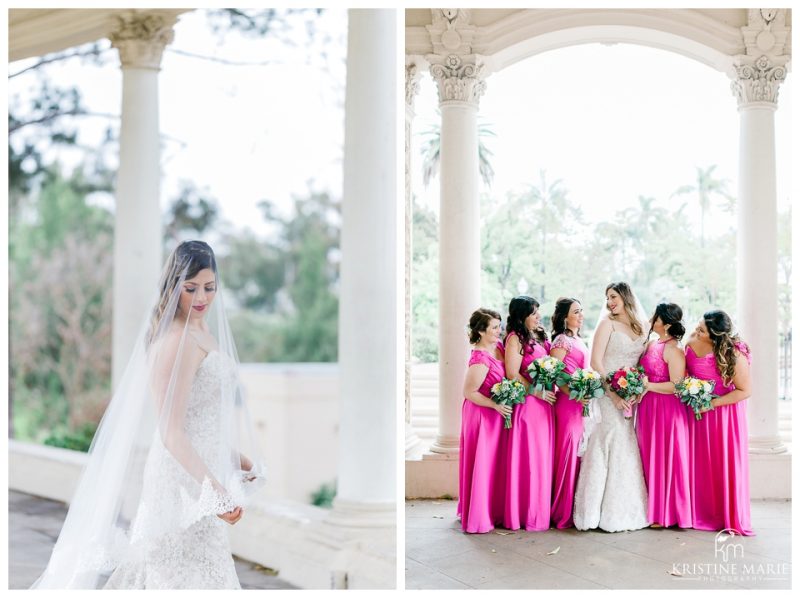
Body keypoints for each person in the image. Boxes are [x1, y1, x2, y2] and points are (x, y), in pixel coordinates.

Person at [33, 240, 265, 589]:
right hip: (181, 482)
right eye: (190, 289)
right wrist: (214, 491)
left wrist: (237, 459)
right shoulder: (177, 341)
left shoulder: (200, 330)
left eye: (209, 287)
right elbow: (171, 431)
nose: (201, 298)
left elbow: (199, 419)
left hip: (201, 476)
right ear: (173, 287)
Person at [573, 282, 649, 532]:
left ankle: (622, 510)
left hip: (628, 397)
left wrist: (635, 389)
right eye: (607, 297)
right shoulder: (608, 323)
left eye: (613, 296)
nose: (609, 302)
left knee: (625, 444)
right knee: (605, 442)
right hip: (607, 395)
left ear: (626, 296)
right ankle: (593, 512)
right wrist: (613, 394)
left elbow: (642, 364)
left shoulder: (642, 326)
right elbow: (596, 362)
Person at [685, 310, 753, 535]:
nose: (696, 330)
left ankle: (725, 515)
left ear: (714, 336)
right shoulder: (691, 340)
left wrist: (712, 405)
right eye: (698, 325)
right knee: (700, 463)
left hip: (725, 416)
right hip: (696, 412)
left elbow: (744, 391)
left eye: (702, 330)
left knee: (723, 462)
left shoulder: (734, 352)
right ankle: (698, 512)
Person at [502, 296, 555, 531]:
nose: (538, 317)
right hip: (529, 405)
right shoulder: (514, 339)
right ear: (522, 316)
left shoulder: (538, 336)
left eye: (538, 312)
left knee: (542, 459)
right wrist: (538, 393)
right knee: (529, 459)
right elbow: (513, 373)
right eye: (534, 313)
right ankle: (524, 513)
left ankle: (540, 511)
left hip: (545, 406)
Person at [636, 303, 691, 528]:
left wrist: (648, 386)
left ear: (667, 324)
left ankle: (666, 512)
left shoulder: (674, 350)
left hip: (667, 410)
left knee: (664, 456)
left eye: (656, 316)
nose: (651, 318)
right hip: (648, 407)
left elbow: (678, 386)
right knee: (650, 454)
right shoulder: (652, 344)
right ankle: (652, 507)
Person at [458, 308, 510, 533]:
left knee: (493, 465)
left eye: (500, 326)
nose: (499, 331)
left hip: (494, 414)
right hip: (481, 414)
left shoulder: (496, 347)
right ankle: (478, 517)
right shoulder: (479, 357)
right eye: (495, 328)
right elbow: (469, 392)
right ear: (480, 331)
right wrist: (495, 405)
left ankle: (492, 509)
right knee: (483, 462)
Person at [549, 297, 589, 529]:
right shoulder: (562, 340)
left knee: (578, 454)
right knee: (567, 453)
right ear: (565, 317)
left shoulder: (578, 339)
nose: (581, 315)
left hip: (580, 404)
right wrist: (573, 393)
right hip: (567, 404)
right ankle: (561, 511)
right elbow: (555, 374)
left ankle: (574, 507)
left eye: (582, 311)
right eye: (576, 312)